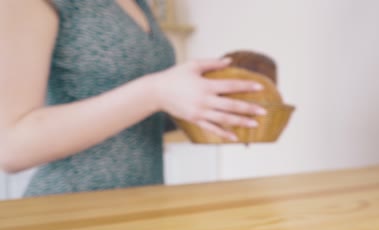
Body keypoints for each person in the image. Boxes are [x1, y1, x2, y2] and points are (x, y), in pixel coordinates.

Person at [0, 0, 266, 197]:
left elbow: (134, 118)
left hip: (144, 207)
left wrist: (210, 107)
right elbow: (11, 146)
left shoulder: (141, 4)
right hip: (69, 216)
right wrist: (156, 91)